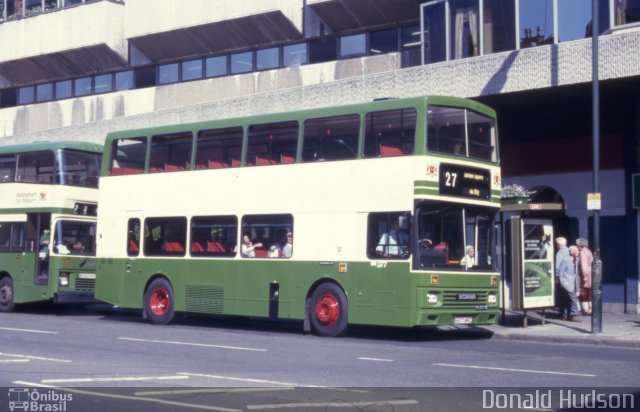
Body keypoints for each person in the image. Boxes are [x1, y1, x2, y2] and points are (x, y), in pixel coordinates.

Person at [557, 245, 582, 322]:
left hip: (573, 283)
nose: (578, 252)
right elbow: (560, 273)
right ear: (572, 252)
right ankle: (573, 315)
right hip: (567, 283)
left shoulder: (577, 259)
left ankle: (564, 314)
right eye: (577, 250)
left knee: (566, 300)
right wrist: (562, 283)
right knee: (573, 299)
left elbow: (576, 273)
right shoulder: (565, 260)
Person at [576, 238, 594, 315]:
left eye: (577, 245)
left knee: (584, 292)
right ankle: (591, 308)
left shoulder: (582, 252)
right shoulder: (588, 251)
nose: (577, 247)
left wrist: (584, 276)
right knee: (590, 291)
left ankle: (587, 310)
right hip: (591, 273)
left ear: (580, 245)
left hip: (586, 274)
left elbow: (583, 266)